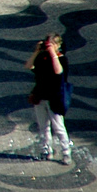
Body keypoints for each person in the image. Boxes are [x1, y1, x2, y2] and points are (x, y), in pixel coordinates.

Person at [25, 34, 72, 164]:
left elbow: (58, 71)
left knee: (59, 127)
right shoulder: (42, 57)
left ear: (58, 45)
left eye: (51, 45)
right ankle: (47, 151)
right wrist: (36, 52)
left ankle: (66, 152)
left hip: (54, 98)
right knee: (43, 126)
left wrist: (53, 54)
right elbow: (29, 66)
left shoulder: (62, 60)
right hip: (40, 96)